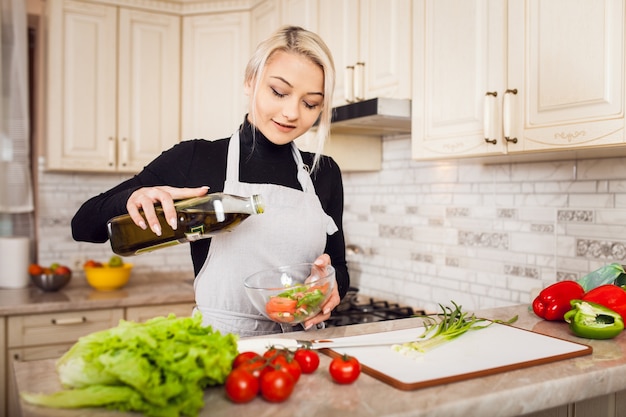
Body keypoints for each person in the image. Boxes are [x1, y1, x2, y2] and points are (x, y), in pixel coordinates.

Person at [71, 26, 349, 337]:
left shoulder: (323, 173)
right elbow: (83, 225)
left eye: (310, 103)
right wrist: (132, 197)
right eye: (279, 92)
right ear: (250, 81)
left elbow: (338, 265)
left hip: (301, 348)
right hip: (219, 348)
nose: (291, 112)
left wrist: (330, 284)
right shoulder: (196, 158)